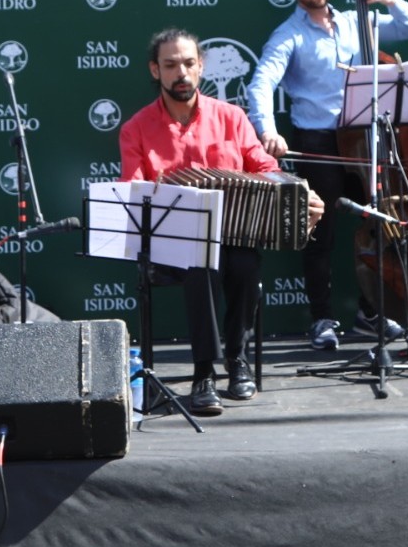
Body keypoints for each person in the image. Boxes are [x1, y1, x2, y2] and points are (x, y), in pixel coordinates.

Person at [120, 28, 323, 416]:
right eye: (170, 65)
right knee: (202, 267)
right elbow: (133, 191)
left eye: (188, 63)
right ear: (155, 70)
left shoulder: (231, 117)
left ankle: (237, 359)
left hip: (233, 236)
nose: (181, 73)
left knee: (245, 264)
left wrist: (300, 193)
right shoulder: (136, 128)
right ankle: (204, 373)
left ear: (201, 66)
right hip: (173, 244)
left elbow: (265, 167)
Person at [246, 0, 408, 351]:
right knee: (320, 233)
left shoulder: (354, 20)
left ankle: (371, 312)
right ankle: (322, 318)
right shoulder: (288, 35)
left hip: (364, 139)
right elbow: (261, 84)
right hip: (319, 141)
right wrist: (268, 130)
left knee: (378, 225)